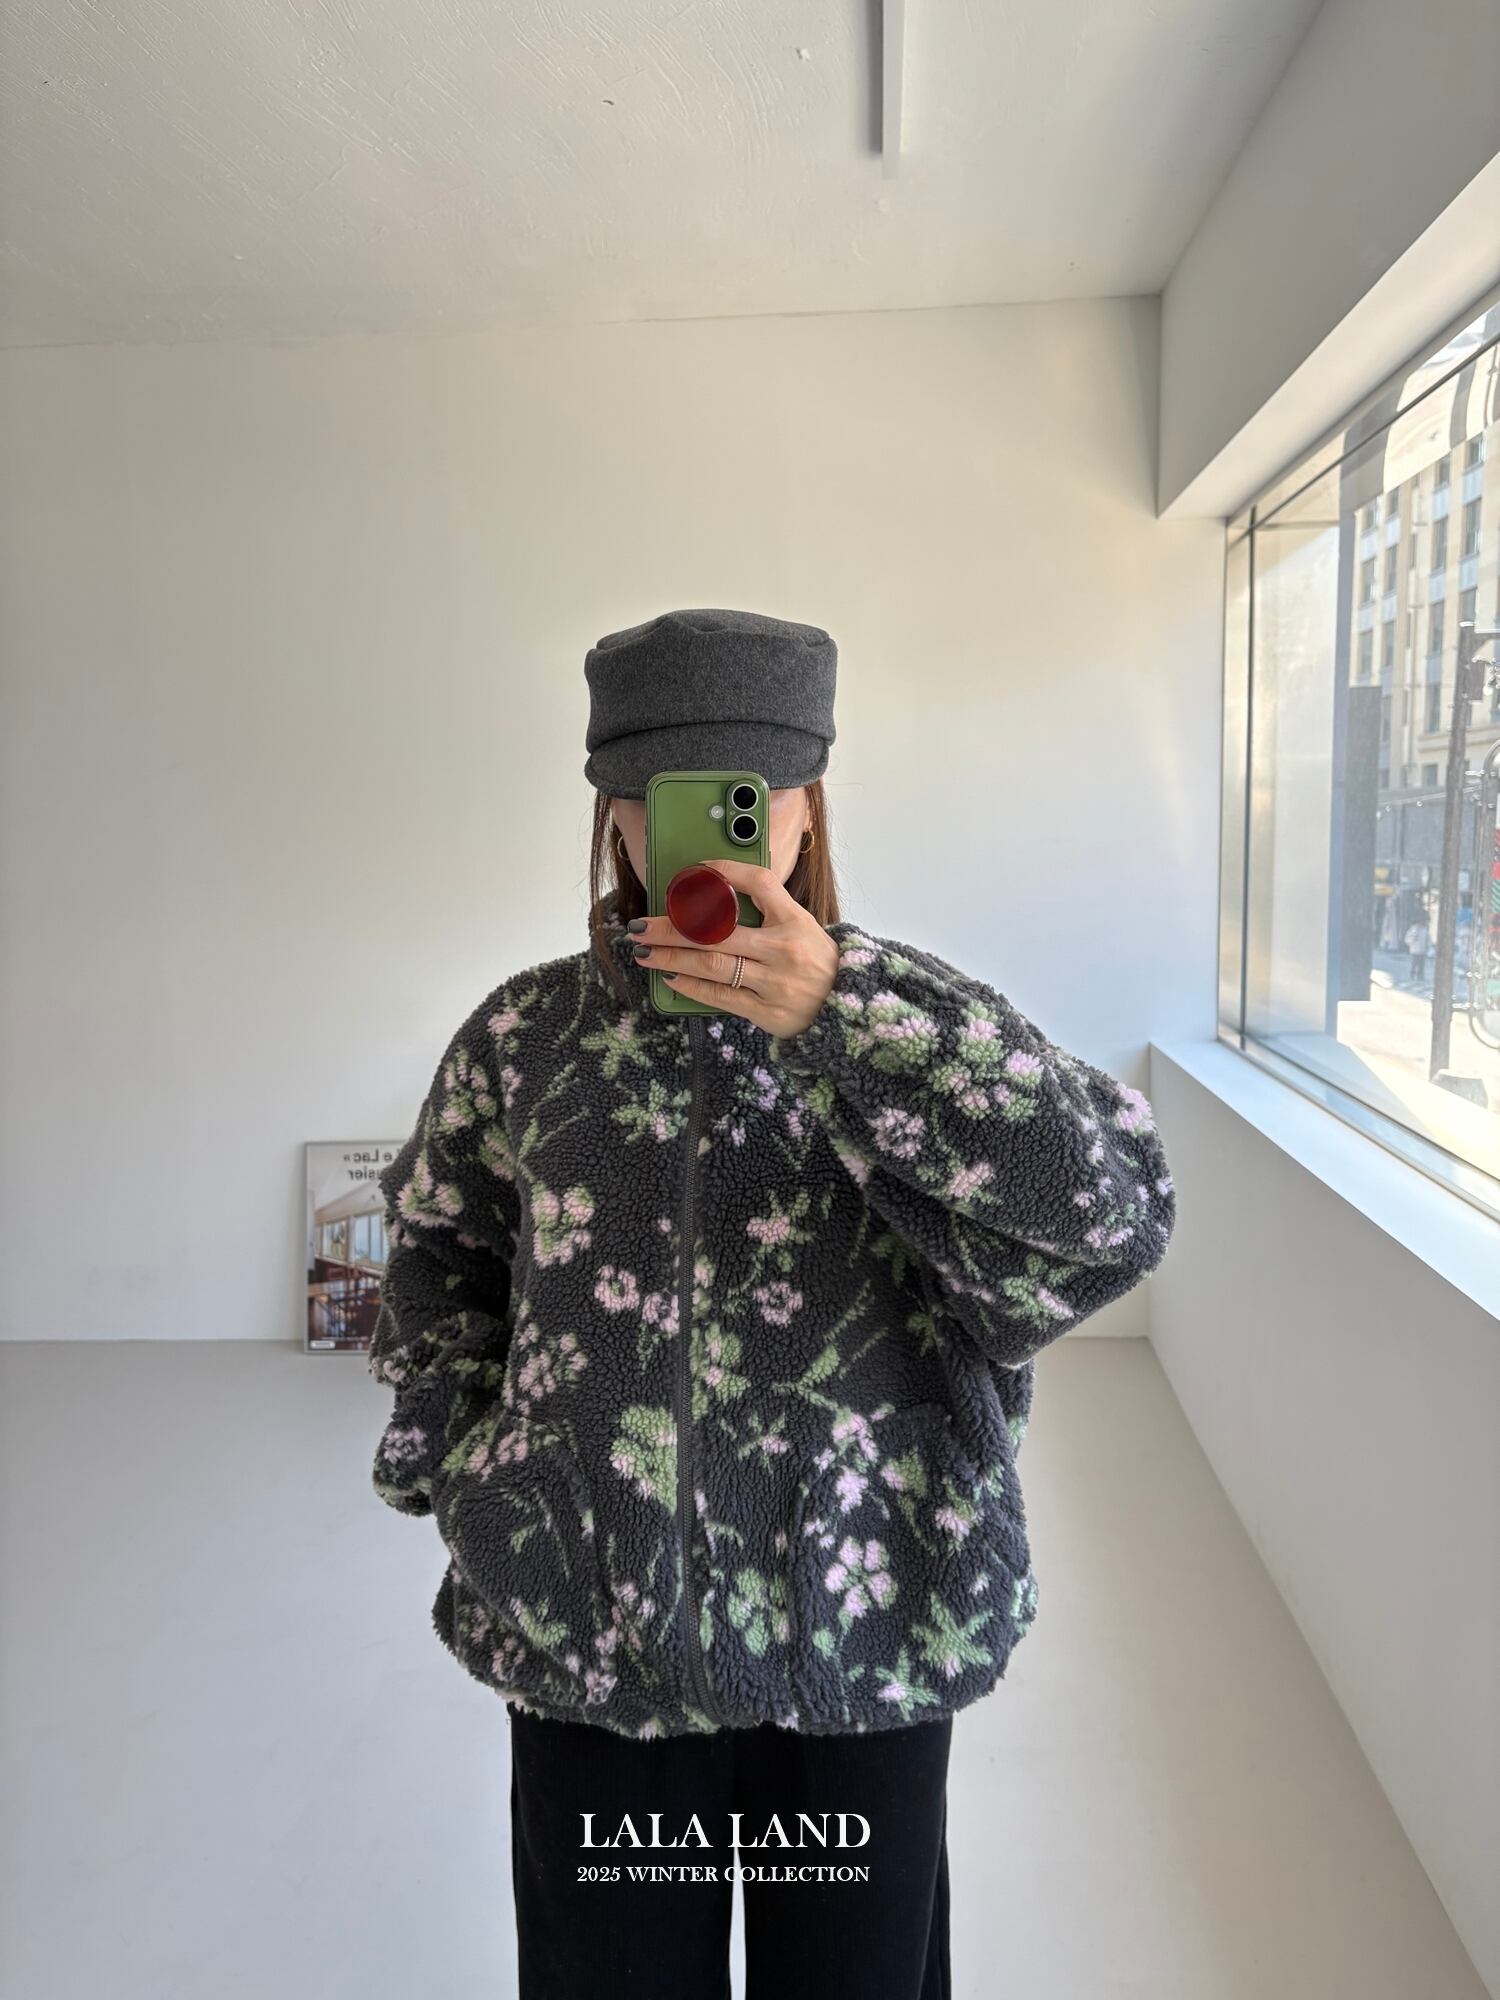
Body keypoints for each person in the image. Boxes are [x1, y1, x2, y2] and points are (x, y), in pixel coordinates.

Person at [367, 608, 1177, 1998]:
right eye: (658, 794)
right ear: (612, 812)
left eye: (746, 792)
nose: (704, 838)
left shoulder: (912, 1026)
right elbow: (443, 1255)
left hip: (868, 1620)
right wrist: (472, 1477)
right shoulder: (524, 1037)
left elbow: (1110, 1214)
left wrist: (851, 1018)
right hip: (594, 1635)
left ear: (808, 800)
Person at [1405, 916, 1430, 985]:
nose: (1420, 924)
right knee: (1414, 964)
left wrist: (1427, 947)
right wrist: (1412, 940)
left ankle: (1420, 976)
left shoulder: (1424, 930)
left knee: (1421, 965)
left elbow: (1427, 940)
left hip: (1422, 951)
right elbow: (1407, 940)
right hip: (1414, 951)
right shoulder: (1412, 930)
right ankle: (1412, 976)